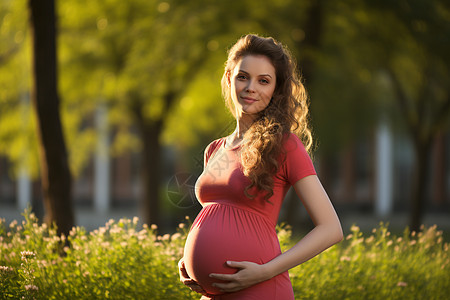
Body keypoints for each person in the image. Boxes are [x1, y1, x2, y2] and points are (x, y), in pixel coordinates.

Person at [178, 34, 343, 300]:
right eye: (243, 76)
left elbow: (331, 229)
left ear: (276, 90)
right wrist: (189, 263)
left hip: (260, 289)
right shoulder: (215, 149)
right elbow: (214, 220)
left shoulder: (284, 145)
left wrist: (264, 272)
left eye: (263, 80)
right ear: (230, 78)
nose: (250, 87)